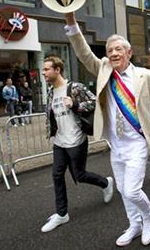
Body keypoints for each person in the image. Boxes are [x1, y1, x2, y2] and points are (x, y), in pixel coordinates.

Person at [64, 12, 150, 247]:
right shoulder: (104, 70)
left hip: (138, 142)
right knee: (123, 192)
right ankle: (134, 224)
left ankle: (148, 217)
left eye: (118, 49)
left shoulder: (145, 76)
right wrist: (71, 21)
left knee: (132, 190)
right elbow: (84, 52)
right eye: (110, 50)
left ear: (129, 52)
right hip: (115, 144)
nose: (114, 53)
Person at [40, 55, 114, 233]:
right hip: (59, 142)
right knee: (57, 176)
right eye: (43, 70)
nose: (43, 73)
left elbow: (95, 102)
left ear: (57, 70)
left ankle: (105, 183)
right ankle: (62, 213)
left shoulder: (75, 87)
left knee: (79, 175)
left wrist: (75, 104)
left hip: (76, 141)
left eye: (46, 69)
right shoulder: (50, 91)